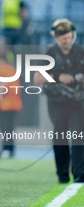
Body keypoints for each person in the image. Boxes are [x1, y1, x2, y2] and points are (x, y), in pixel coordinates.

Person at [34, 19, 84, 183]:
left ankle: (79, 173)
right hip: (57, 103)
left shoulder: (80, 52)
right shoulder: (50, 54)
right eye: (63, 38)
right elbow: (37, 78)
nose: (67, 41)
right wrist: (58, 77)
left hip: (77, 103)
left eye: (69, 37)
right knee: (60, 137)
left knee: (79, 136)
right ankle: (62, 175)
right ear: (56, 38)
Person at [0, 39, 23, 158]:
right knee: (9, 128)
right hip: (14, 103)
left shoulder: (1, 70)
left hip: (5, 104)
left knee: (6, 128)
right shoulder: (11, 69)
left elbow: (2, 86)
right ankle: (10, 149)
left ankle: (6, 149)